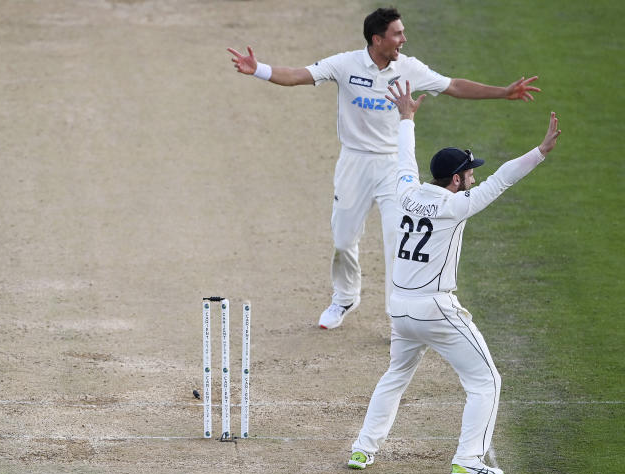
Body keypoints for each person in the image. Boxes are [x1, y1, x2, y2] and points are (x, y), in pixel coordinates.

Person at [227, 7, 541, 329]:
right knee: (343, 239)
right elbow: (297, 76)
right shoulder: (346, 64)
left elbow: (454, 86)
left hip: (395, 166)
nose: (404, 39)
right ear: (377, 39)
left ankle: (397, 315)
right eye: (397, 34)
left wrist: (503, 93)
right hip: (354, 162)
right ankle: (344, 297)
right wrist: (258, 70)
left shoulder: (410, 68)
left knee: (397, 240)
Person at [346, 80, 560, 474]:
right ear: (456, 179)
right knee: (486, 381)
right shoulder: (455, 206)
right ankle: (468, 460)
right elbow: (501, 179)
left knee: (395, 377)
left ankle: (362, 449)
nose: (474, 178)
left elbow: (404, 159)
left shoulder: (408, 191)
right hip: (434, 308)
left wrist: (406, 118)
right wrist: (540, 152)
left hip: (400, 307)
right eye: (469, 173)